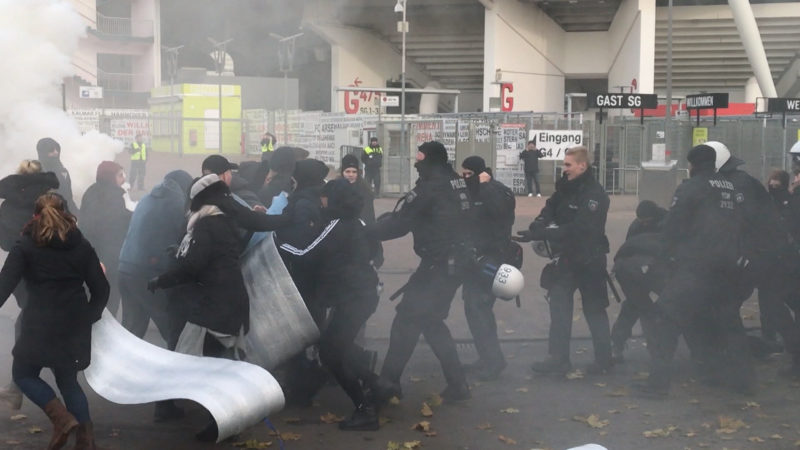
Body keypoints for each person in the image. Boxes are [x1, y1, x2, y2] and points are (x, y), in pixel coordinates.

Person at [147, 173, 254, 442]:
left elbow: (193, 266)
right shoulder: (225, 220)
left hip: (217, 306)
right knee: (221, 363)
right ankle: (227, 419)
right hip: (230, 301)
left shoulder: (206, 225)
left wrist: (162, 280)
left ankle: (222, 423)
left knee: (211, 365)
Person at [0, 192, 109, 450]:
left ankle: (61, 419)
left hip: (39, 323)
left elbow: (3, 287)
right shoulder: (81, 246)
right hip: (73, 325)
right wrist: (88, 317)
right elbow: (101, 289)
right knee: (68, 381)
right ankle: (86, 441)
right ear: (67, 213)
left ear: (35, 216)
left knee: (24, 374)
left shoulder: (25, 245)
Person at [366, 141, 473, 403]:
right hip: (455, 262)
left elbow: (401, 223)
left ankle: (387, 383)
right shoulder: (456, 181)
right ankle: (458, 384)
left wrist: (364, 232)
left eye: (419, 157)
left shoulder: (430, 187)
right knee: (431, 320)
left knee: (407, 318)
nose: (415, 162)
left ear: (429, 160)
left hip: (439, 266)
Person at [639, 143, 746, 396]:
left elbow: (672, 228)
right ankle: (740, 380)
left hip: (697, 266)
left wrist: (661, 260)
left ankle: (658, 384)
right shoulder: (729, 187)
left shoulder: (691, 188)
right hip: (727, 267)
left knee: (666, 318)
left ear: (693, 165)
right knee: (727, 323)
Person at [278, 179, 381, 430]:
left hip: (351, 297)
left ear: (333, 199)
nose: (321, 202)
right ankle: (379, 386)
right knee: (339, 347)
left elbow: (306, 253)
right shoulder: (356, 221)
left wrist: (278, 242)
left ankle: (364, 409)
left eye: (324, 198)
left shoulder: (336, 225)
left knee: (330, 352)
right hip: (364, 293)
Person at [515, 146, 612, 375]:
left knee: (595, 310)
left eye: (568, 165)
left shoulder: (594, 194)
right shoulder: (565, 189)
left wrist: (543, 234)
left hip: (590, 259)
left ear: (582, 166)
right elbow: (549, 209)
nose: (564, 169)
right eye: (563, 164)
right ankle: (558, 359)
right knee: (559, 306)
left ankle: (604, 360)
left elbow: (581, 229)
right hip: (566, 259)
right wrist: (538, 225)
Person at [0, 160, 59, 410]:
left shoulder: (8, 204)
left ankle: (19, 383)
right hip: (51, 269)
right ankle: (23, 382)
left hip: (20, 271)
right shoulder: (51, 201)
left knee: (29, 317)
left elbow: (3, 241)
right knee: (40, 318)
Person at [460, 156, 515, 380]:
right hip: (474, 261)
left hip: (493, 260)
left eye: (468, 175)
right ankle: (488, 357)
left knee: (479, 307)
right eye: (462, 174)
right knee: (475, 309)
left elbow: (500, 211)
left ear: (481, 173)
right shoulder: (472, 192)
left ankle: (494, 361)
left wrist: (486, 185)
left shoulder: (496, 190)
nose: (465, 179)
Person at [609, 200, 667, 362]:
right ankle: (618, 344)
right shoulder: (636, 225)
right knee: (635, 306)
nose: (643, 224)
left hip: (659, 270)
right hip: (639, 272)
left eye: (646, 221)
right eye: (641, 221)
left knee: (660, 307)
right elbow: (629, 247)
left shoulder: (666, 222)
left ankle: (659, 349)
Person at [80, 161, 132, 317]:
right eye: (120, 175)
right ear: (110, 177)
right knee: (110, 297)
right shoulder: (113, 197)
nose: (123, 179)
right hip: (108, 256)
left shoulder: (90, 191)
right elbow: (114, 226)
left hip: (88, 252)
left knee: (92, 295)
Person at [340, 153, 383, 268]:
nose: (351, 175)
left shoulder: (365, 190)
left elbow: (369, 217)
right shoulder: (335, 189)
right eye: (348, 172)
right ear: (342, 172)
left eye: (354, 172)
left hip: (360, 232)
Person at [36, 138, 78, 215]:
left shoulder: (63, 171)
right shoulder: (38, 173)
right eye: (51, 150)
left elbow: (68, 198)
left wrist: (77, 215)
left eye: (57, 149)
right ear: (43, 153)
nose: (56, 152)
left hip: (65, 215)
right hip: (47, 217)